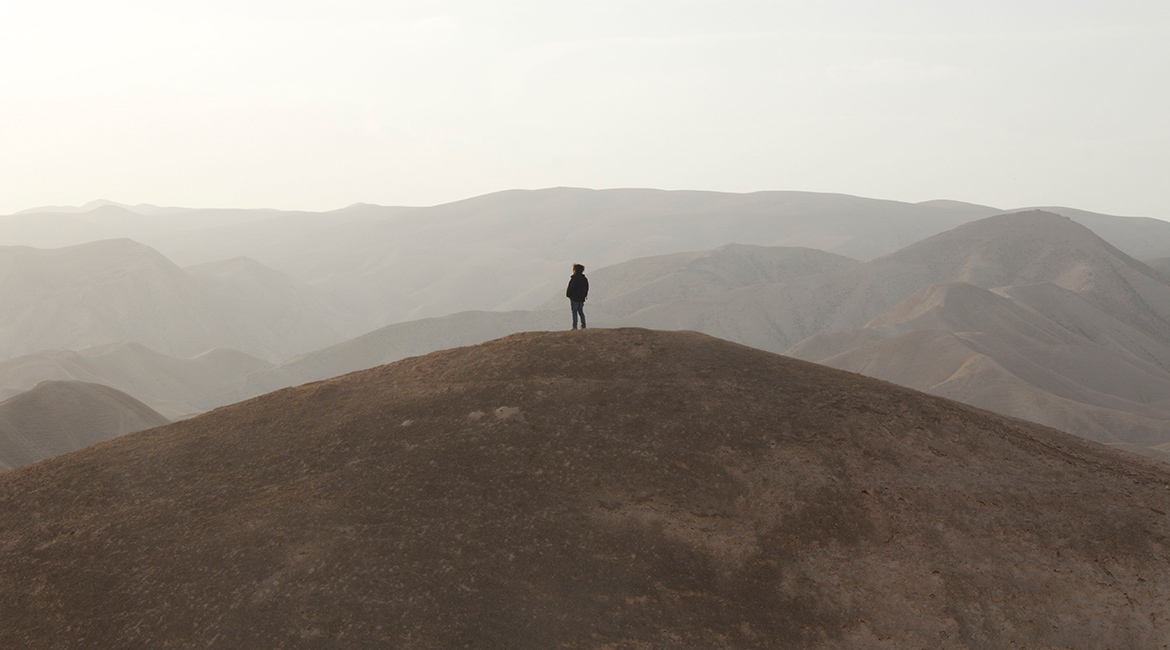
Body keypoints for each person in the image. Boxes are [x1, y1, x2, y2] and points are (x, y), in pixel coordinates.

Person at [566, 263, 589, 329]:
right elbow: (586, 288)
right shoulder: (584, 279)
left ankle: (575, 326)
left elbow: (570, 287)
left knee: (574, 312)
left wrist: (568, 295)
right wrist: (584, 296)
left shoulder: (574, 278)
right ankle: (583, 325)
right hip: (581, 298)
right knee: (581, 311)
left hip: (574, 298)